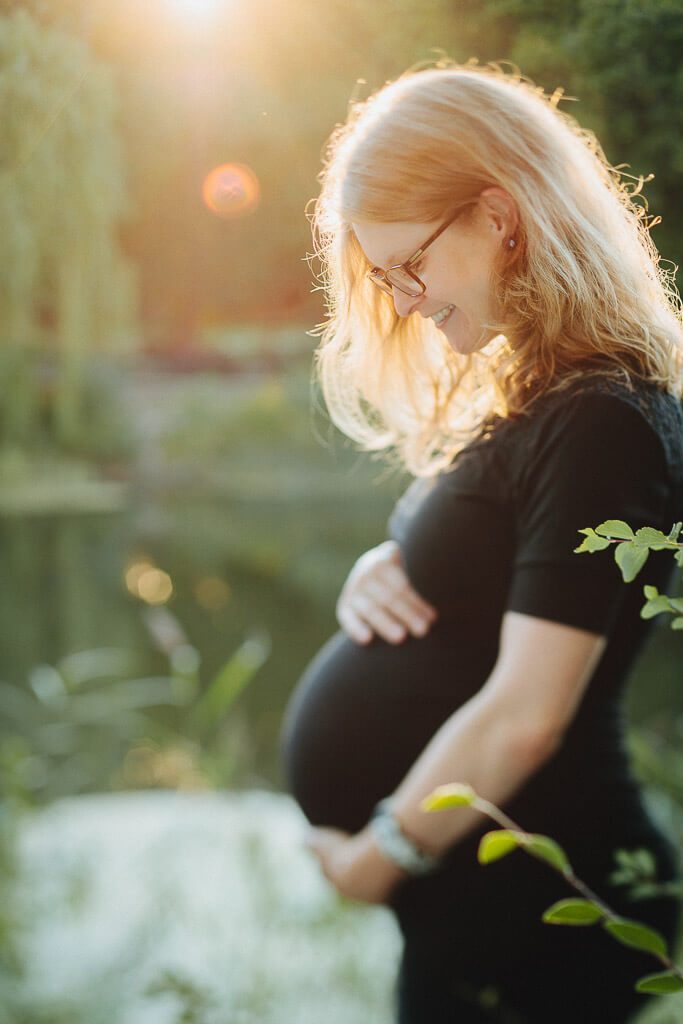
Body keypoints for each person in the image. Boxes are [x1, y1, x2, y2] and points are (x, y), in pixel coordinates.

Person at [279, 63, 683, 1023]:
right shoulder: (543, 397)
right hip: (484, 909)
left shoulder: (601, 421)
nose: (406, 300)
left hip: (546, 916)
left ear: (499, 218)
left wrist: (379, 859)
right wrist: (384, 568)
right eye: (385, 280)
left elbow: (525, 714)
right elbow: (493, 569)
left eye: (409, 265)